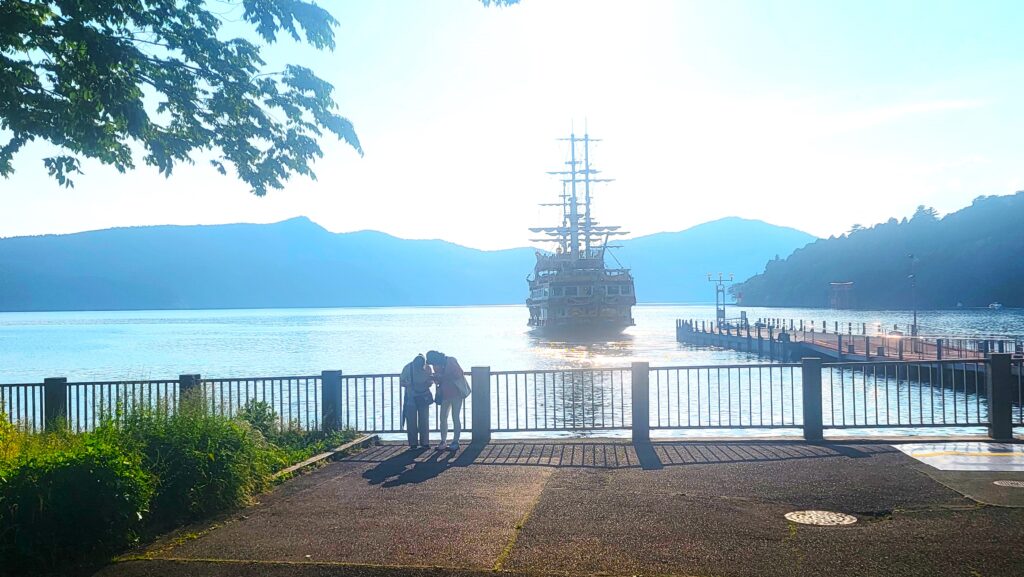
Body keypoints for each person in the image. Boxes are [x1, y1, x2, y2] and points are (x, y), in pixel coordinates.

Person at [425, 350, 467, 451]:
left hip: (456, 394)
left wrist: (443, 376)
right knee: (442, 418)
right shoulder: (436, 365)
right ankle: (443, 441)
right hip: (444, 394)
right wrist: (435, 378)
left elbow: (459, 373)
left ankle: (455, 441)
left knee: (455, 417)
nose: (434, 366)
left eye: (434, 363)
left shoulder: (451, 361)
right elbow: (439, 379)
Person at [399, 354, 433, 449]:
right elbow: (401, 382)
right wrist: (407, 384)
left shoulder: (428, 368)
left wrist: (429, 383)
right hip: (411, 398)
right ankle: (413, 443)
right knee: (411, 421)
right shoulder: (407, 368)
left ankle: (424, 442)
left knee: (424, 420)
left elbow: (431, 380)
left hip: (424, 397)